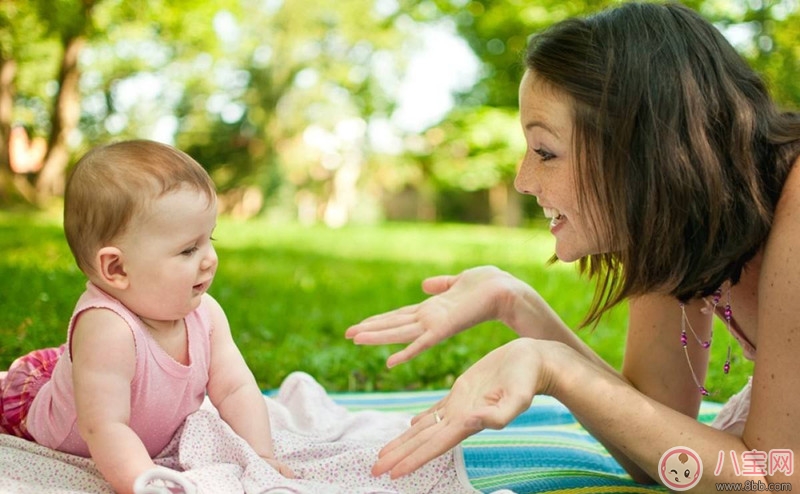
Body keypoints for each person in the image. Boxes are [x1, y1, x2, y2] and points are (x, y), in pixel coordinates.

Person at [346, 2, 800, 491]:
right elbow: (652, 451)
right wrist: (518, 306)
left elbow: (774, 479)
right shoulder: (677, 226)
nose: (522, 180)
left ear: (644, 153)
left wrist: (557, 366)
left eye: (545, 151)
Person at [0, 140, 293, 493]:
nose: (210, 258)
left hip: (101, 373)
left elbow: (235, 387)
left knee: (95, 371)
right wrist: (145, 483)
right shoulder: (107, 329)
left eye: (209, 238)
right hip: (40, 404)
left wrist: (261, 455)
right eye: (188, 249)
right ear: (117, 268)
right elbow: (106, 427)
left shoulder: (207, 315)